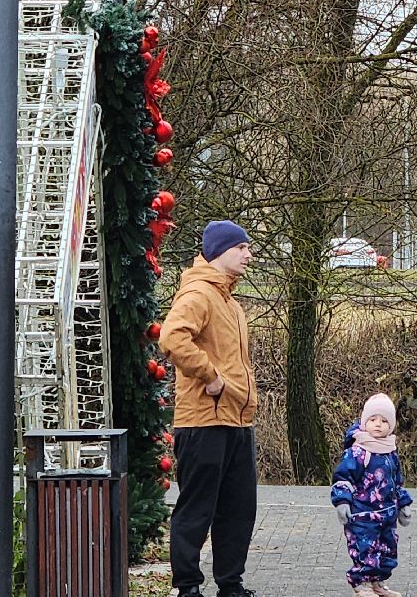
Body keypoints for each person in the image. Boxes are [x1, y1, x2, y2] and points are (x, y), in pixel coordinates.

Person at [160, 220, 259, 597]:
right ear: (220, 251)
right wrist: (210, 375)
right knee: (197, 508)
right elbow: (172, 338)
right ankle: (187, 588)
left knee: (238, 509)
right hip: (203, 421)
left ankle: (230, 585)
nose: (248, 254)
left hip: (237, 420)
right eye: (241, 247)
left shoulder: (230, 302)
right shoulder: (199, 293)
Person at [330, 393, 413, 597]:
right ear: (364, 421)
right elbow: (343, 478)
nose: (378, 424)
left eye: (384, 421)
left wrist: (403, 504)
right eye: (373, 419)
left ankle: (377, 582)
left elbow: (396, 481)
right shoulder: (358, 451)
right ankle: (362, 584)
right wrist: (342, 501)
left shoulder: (390, 451)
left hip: (387, 515)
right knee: (365, 550)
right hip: (362, 515)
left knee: (386, 550)